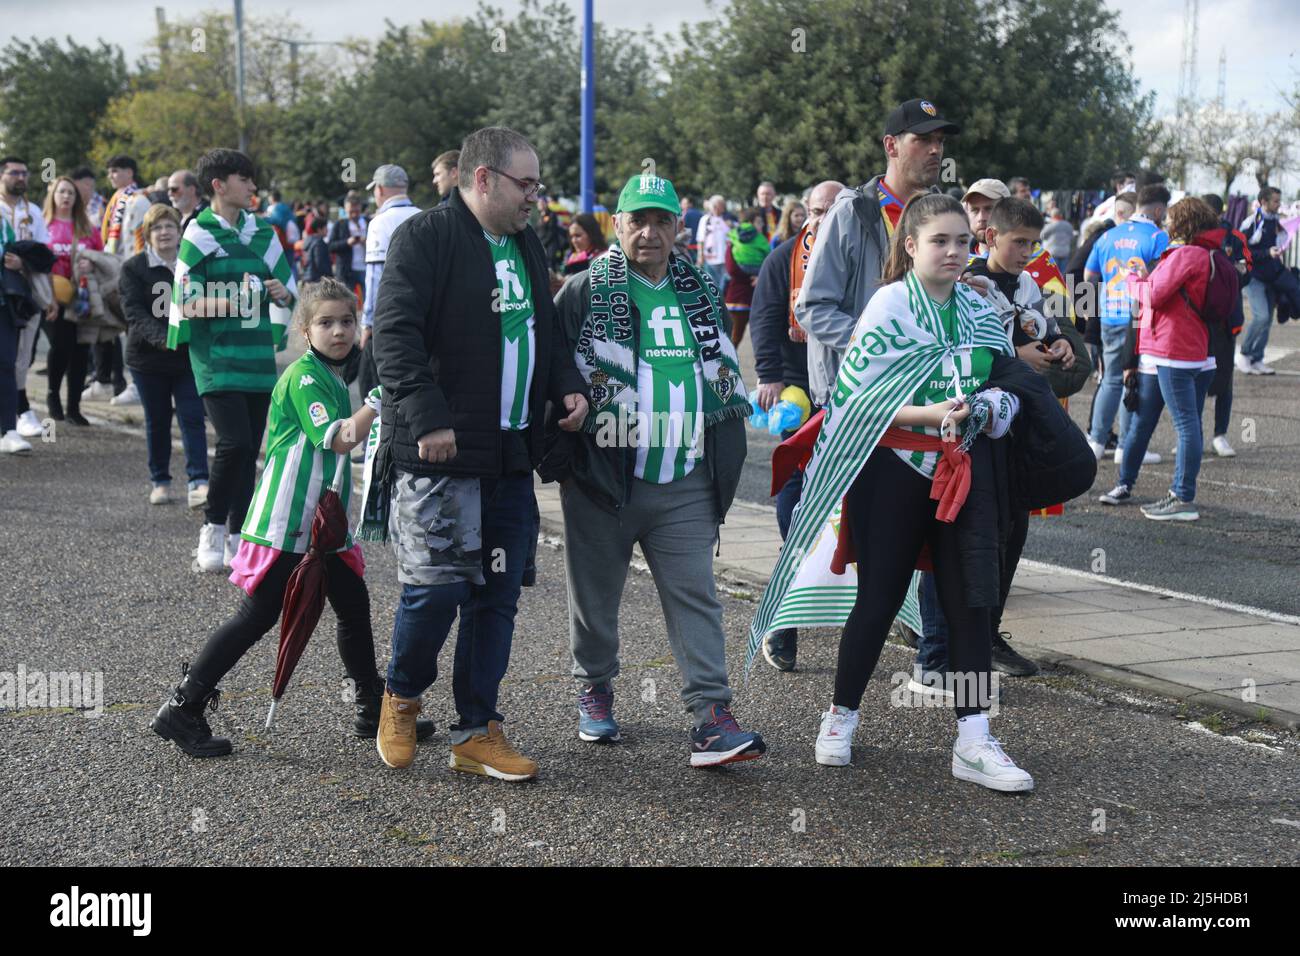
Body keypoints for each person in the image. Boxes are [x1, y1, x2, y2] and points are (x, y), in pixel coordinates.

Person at [755, 193, 1040, 792]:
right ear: (910, 246)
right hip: (892, 467)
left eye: (964, 241)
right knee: (878, 599)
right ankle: (841, 716)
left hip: (966, 470)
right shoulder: (888, 305)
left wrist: (989, 406)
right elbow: (855, 399)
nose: (955, 252)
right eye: (940, 240)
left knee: (971, 605)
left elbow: (1014, 389)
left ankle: (974, 738)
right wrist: (930, 413)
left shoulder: (982, 309)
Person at [370, 126, 589, 781]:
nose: (537, 200)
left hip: (508, 456)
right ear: (484, 179)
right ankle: (402, 695)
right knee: (435, 589)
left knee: (495, 596)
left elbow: (544, 333)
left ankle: (476, 729)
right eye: (528, 185)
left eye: (540, 187)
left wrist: (568, 387)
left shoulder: (524, 241)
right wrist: (429, 418)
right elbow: (395, 337)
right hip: (439, 455)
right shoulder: (427, 238)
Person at [150, 278, 431, 757]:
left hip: (325, 522)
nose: (338, 331)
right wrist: (378, 401)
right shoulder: (305, 377)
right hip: (289, 522)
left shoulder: (336, 375)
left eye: (346, 321)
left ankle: (370, 706)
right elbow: (339, 438)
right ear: (305, 330)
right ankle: (184, 705)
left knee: (353, 605)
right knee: (257, 616)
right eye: (326, 323)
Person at [543, 171, 765, 765]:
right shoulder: (585, 290)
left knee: (696, 594)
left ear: (678, 228)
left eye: (661, 220)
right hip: (604, 476)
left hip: (686, 476)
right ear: (618, 226)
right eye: (637, 220)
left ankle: (712, 717)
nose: (649, 232)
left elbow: (717, 372)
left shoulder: (700, 288)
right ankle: (594, 684)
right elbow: (554, 367)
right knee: (595, 598)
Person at [168, 147, 296, 573]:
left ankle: (241, 537)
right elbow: (186, 302)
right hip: (216, 357)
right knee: (234, 442)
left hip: (257, 355)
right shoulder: (198, 233)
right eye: (245, 180)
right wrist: (252, 295)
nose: (253, 187)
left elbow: (289, 292)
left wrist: (284, 294)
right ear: (219, 185)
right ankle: (212, 529)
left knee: (249, 450)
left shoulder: (263, 233)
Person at [796, 98, 961, 412]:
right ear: (891, 145)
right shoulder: (850, 212)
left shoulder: (945, 214)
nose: (936, 150)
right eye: (923, 140)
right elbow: (812, 307)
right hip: (858, 398)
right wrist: (878, 345)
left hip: (927, 394)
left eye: (940, 141)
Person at [749, 179, 844, 671]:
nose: (820, 218)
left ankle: (907, 615)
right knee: (798, 490)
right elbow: (764, 316)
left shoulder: (861, 257)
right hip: (798, 388)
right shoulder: (784, 257)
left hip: (855, 388)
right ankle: (783, 618)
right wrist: (768, 374)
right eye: (813, 210)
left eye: (831, 209)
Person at [1099, 197, 1235, 521]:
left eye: (1172, 219)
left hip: (1172, 352)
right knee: (1180, 424)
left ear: (1181, 223)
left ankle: (1180, 497)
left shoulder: (1186, 254)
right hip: (1195, 352)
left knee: (1173, 425)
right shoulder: (1207, 254)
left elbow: (1150, 296)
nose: (1166, 224)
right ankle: (1160, 491)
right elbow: (1167, 292)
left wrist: (1133, 280)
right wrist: (1148, 276)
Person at [119, 203, 209, 508]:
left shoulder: (194, 264)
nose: (164, 232)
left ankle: (199, 481)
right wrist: (162, 339)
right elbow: (134, 313)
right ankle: (160, 480)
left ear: (179, 230)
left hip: (187, 357)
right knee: (157, 421)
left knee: (192, 417)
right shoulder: (133, 268)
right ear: (147, 234)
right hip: (148, 359)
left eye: (169, 225)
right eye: (157, 227)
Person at [1084, 183, 1170, 463]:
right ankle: (1126, 448)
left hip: (1110, 312)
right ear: (1158, 209)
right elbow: (1161, 280)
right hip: (1139, 316)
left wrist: (1095, 307)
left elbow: (1089, 275)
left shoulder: (1107, 235)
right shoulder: (1158, 237)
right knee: (1132, 379)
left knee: (1110, 378)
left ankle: (1096, 441)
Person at [88, 155, 150, 406]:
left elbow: (140, 240)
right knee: (117, 329)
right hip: (114, 272)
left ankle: (137, 384)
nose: (111, 175)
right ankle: (109, 380)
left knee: (135, 330)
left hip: (131, 272)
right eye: (109, 171)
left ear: (130, 172)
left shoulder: (138, 200)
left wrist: (137, 274)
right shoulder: (117, 200)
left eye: (116, 170)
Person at [41, 174, 102, 427]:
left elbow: (103, 260)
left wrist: (92, 262)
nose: (66, 196)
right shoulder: (43, 226)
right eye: (61, 191)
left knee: (80, 350)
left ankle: (74, 407)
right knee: (61, 346)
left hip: (82, 297)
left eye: (71, 193)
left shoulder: (88, 228)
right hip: (51, 297)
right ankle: (53, 395)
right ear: (53, 196)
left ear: (77, 199)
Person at [0, 156, 53, 441]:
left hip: (26, 291)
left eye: (24, 172)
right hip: (2, 291)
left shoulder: (32, 210)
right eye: (14, 173)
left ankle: (20, 411)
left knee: (23, 354)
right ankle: (17, 412)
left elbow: (43, 255)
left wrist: (23, 264)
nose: (21, 177)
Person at [359, 164, 420, 401]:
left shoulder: (379, 222)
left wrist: (367, 324)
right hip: (421, 316)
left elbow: (375, 277)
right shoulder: (425, 215)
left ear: (381, 189)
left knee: (377, 392)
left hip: (389, 318)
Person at [1200, 192, 1251, 457]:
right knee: (1194, 380)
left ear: (1220, 214)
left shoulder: (1234, 237)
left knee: (1225, 379)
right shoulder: (1189, 236)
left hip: (1226, 320)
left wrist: (1226, 282)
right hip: (1196, 321)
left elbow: (1247, 269)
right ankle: (1192, 435)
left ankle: (1220, 435)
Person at [1237, 186, 1285, 375]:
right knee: (1261, 316)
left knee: (1268, 320)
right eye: (1275, 201)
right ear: (1264, 202)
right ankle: (1244, 353)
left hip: (1271, 276)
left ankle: (1257, 358)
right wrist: (1267, 253)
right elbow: (1242, 250)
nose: (1278, 204)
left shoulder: (1275, 222)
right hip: (1253, 276)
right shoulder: (1252, 222)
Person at [723, 207, 769, 346]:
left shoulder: (738, 240)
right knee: (732, 340)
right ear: (750, 223)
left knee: (760, 341)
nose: (761, 226)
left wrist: (760, 276)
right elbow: (731, 269)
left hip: (756, 297)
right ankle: (723, 369)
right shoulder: (734, 243)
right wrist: (758, 274)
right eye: (759, 222)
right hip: (738, 298)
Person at [328, 190, 367, 300]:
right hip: (346, 270)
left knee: (370, 302)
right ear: (345, 209)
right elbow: (330, 246)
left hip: (366, 268)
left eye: (357, 211)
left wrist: (367, 242)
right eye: (351, 212)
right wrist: (347, 242)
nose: (354, 214)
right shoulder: (339, 225)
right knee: (345, 302)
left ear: (360, 208)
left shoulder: (369, 222)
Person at [961, 179, 1010, 258]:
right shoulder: (959, 263)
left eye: (989, 209)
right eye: (974, 210)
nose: (981, 218)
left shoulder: (1032, 259)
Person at [695, 194, 730, 293]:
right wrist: (700, 256)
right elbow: (700, 239)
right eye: (713, 206)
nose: (715, 208)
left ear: (723, 207)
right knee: (711, 284)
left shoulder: (728, 220)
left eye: (718, 205)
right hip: (710, 258)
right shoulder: (705, 220)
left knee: (725, 284)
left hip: (725, 258)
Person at [301, 216, 332, 282]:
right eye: (325, 227)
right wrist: (329, 276)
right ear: (319, 229)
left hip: (307, 277)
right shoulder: (319, 243)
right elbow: (320, 263)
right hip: (317, 280)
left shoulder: (308, 240)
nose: (327, 230)